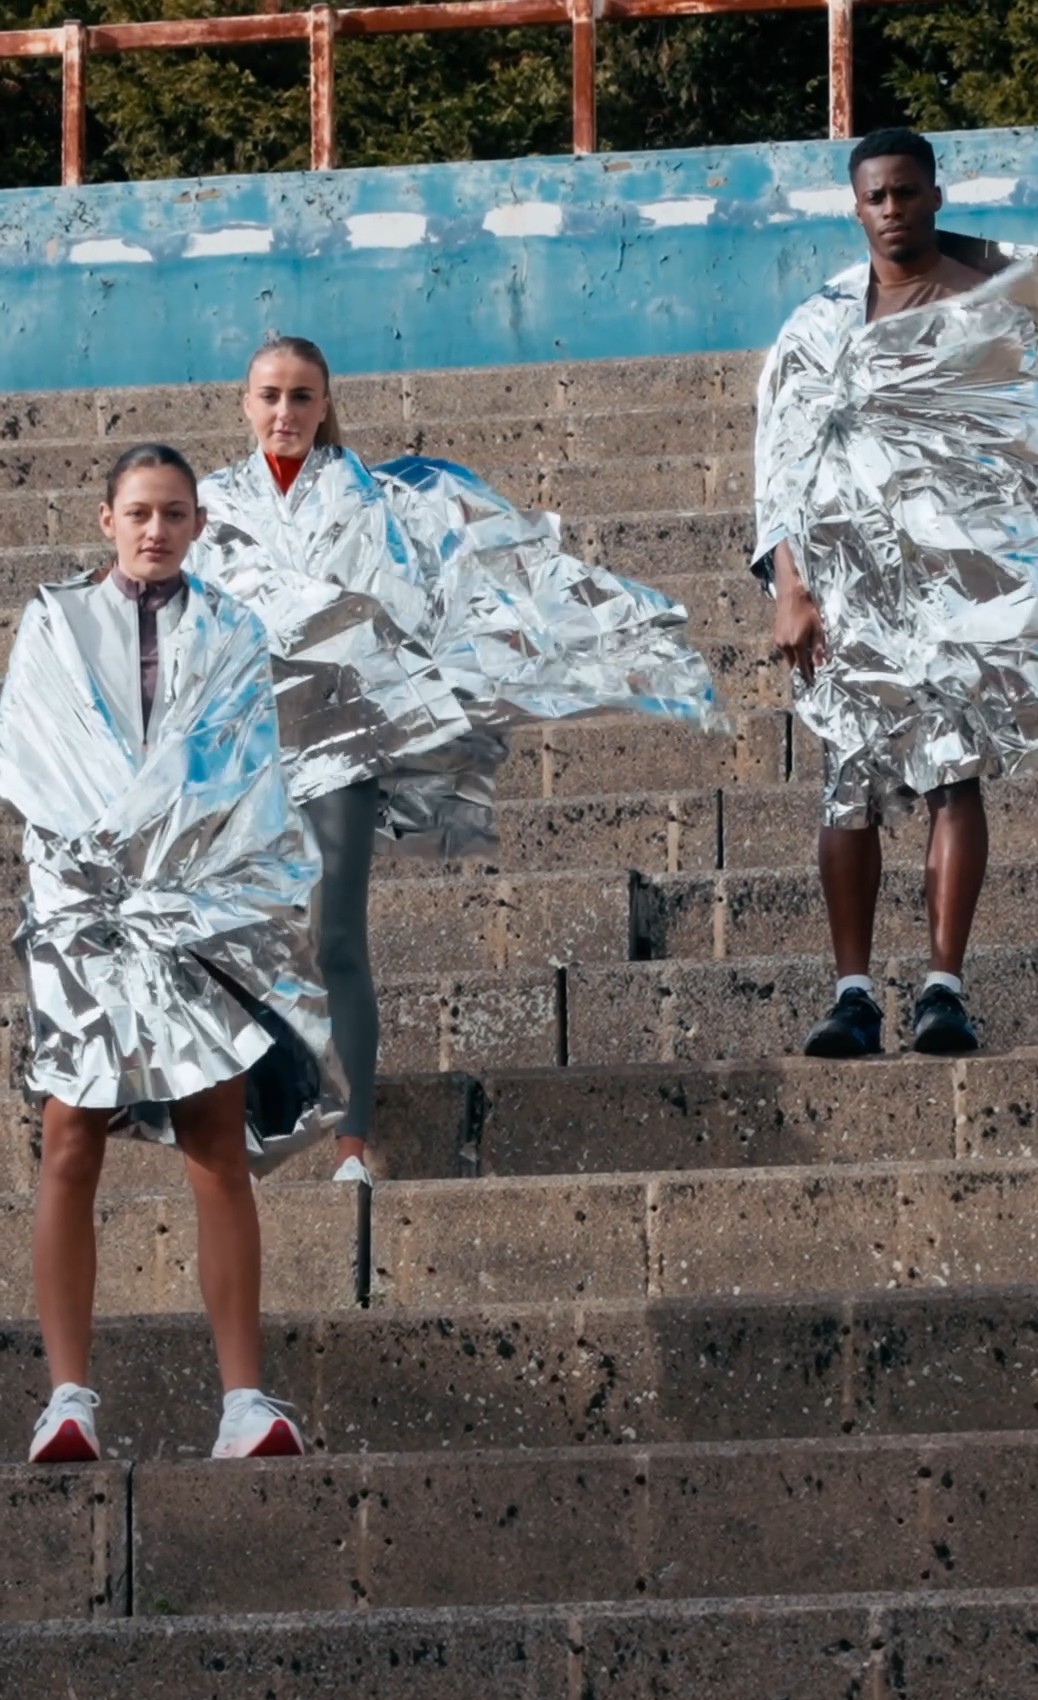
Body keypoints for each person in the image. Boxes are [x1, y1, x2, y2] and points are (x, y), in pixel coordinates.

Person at [194, 337, 718, 1176]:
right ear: (244, 402)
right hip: (245, 748)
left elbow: (435, 585)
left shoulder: (374, 498)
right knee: (251, 937)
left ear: (326, 403)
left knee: (337, 934)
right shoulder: (210, 503)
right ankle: (257, 1121)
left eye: (301, 396)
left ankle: (356, 1141)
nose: (285, 414)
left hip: (344, 737)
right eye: (270, 396)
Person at [1, 444, 340, 1465]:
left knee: (215, 1142)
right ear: (106, 518)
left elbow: (244, 775)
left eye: (176, 514)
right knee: (70, 1140)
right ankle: (67, 1396)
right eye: (140, 512)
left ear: (199, 526)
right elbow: (38, 763)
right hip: (90, 915)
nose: (156, 529)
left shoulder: (233, 630)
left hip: (198, 912)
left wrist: (179, 881)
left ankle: (244, 1401)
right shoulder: (53, 623)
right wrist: (119, 874)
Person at [753, 127, 1038, 1059]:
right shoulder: (820, 323)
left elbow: (1020, 453)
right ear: (856, 208)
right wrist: (790, 587)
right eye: (875, 197)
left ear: (935, 193)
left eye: (905, 191)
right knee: (845, 785)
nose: (891, 209)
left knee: (954, 774)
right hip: (846, 580)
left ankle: (944, 987)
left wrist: (1023, 579)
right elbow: (781, 461)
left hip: (957, 583)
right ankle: (851, 992)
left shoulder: (990, 306)